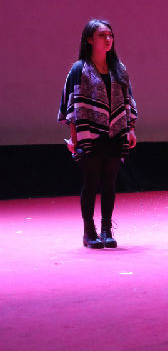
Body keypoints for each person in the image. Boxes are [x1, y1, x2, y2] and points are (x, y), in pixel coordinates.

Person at [58, 19, 138, 248]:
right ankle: (89, 231)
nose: (108, 39)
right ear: (90, 40)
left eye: (110, 35)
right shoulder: (79, 69)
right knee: (91, 181)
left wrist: (130, 129)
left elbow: (127, 100)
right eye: (103, 35)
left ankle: (106, 229)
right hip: (88, 133)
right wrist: (75, 137)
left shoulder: (119, 69)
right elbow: (72, 105)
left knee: (110, 182)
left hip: (116, 132)